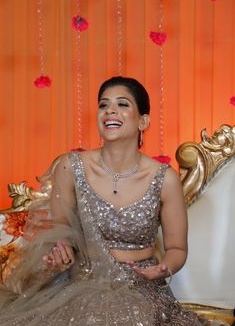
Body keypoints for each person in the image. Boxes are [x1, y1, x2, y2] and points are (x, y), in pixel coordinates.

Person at [0, 76, 221, 325]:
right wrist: (60, 252)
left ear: (143, 121)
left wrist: (164, 268)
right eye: (104, 105)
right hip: (83, 283)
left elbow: (177, 250)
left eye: (123, 104)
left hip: (141, 288)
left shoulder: (164, 179)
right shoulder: (71, 168)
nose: (110, 111)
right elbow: (60, 234)